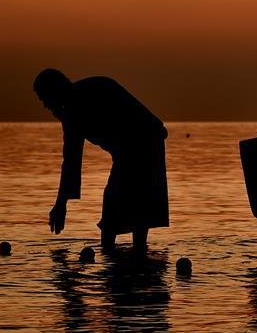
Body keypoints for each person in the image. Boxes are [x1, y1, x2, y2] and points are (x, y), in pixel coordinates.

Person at [34, 69, 169, 251]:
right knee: (122, 207)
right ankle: (124, 255)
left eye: (44, 98)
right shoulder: (70, 116)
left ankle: (118, 254)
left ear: (55, 90)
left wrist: (61, 204)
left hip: (146, 142)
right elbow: (71, 161)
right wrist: (61, 203)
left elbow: (140, 116)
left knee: (124, 206)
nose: (45, 105)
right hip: (128, 151)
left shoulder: (98, 86)